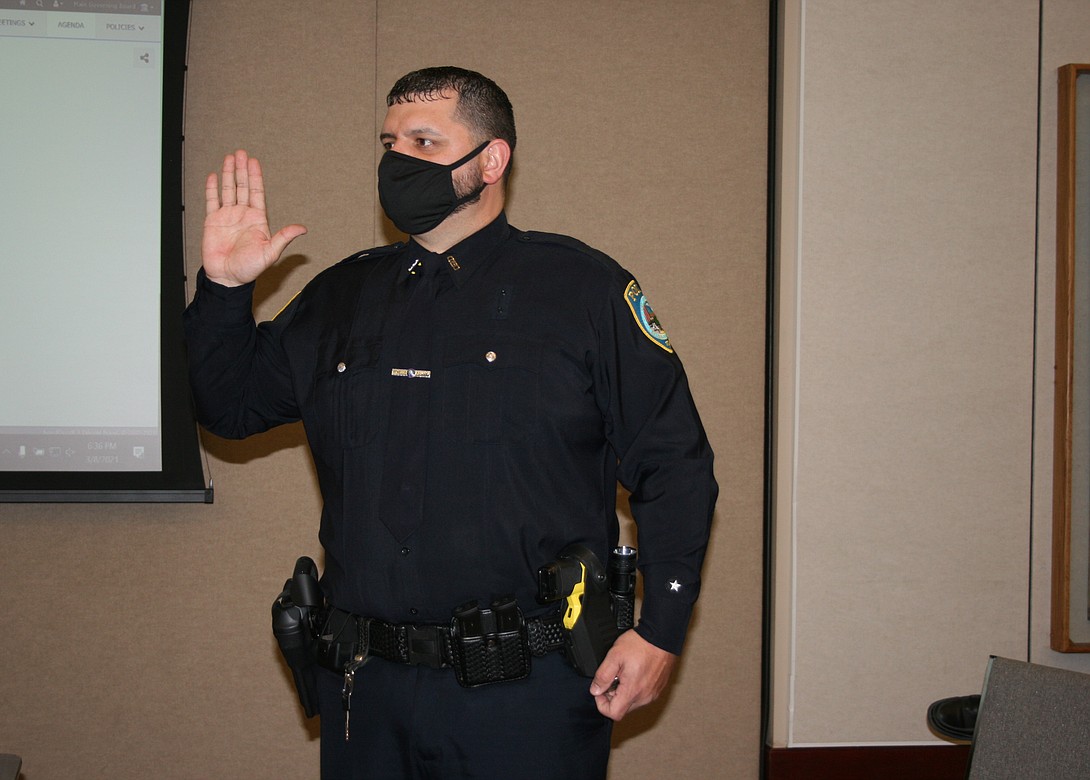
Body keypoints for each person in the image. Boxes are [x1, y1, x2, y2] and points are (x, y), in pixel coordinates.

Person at [184, 66, 717, 779]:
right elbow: (229, 406)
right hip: (366, 691)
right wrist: (223, 291)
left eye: (425, 141)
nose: (398, 159)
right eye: (389, 141)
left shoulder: (581, 291)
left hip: (527, 697)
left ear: (491, 160)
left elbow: (674, 464)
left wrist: (661, 630)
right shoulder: (342, 295)